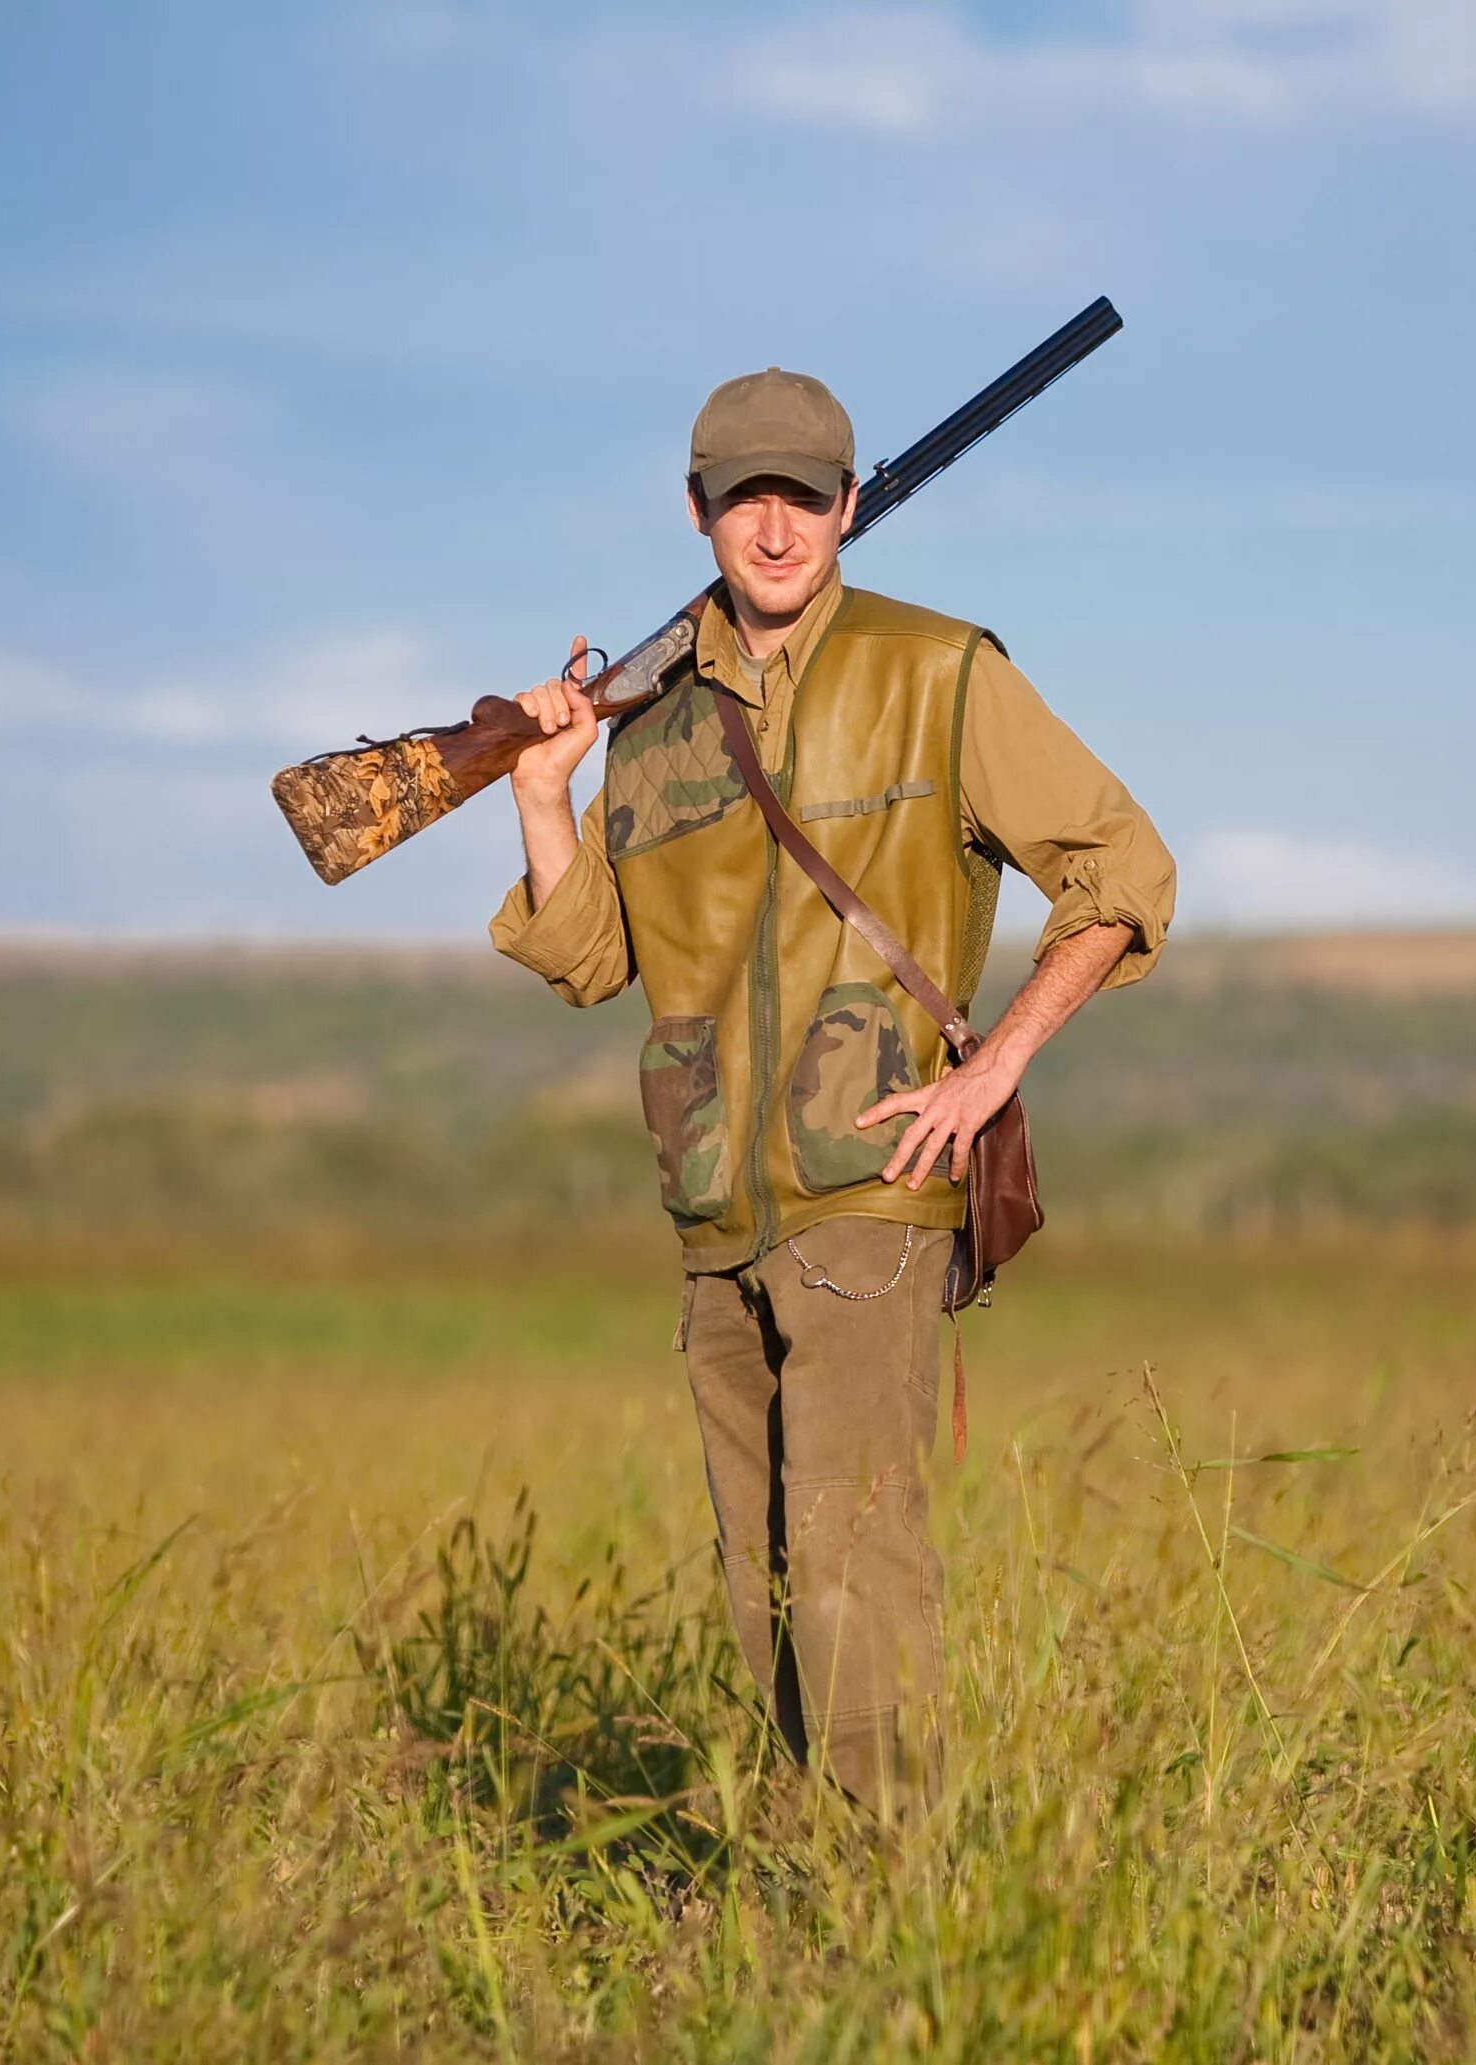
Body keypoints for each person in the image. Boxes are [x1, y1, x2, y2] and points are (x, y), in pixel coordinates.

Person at [490, 366, 1175, 1808]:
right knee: (768, 1580)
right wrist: (545, 794)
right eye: (747, 495)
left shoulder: (941, 672)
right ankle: (826, 1901)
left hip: (869, 1191)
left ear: (851, 504)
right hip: (712, 1211)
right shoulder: (656, 723)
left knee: (857, 1569)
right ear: (699, 512)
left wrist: (992, 1070)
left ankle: (901, 1916)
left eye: (805, 493)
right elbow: (594, 954)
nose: (778, 525)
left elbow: (1123, 871)